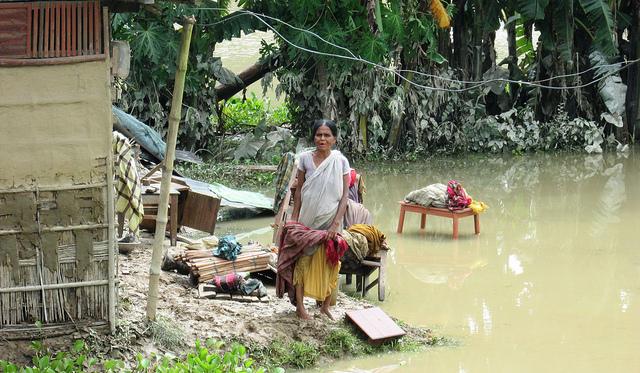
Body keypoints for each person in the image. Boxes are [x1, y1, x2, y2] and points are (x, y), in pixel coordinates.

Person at [289, 119, 350, 320]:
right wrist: (294, 220)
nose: (322, 139)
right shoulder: (305, 159)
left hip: (332, 218)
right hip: (307, 219)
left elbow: (344, 197)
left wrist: (335, 224)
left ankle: (324, 306)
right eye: (318, 135)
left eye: (327, 135)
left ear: (334, 139)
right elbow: (298, 193)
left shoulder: (340, 161)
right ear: (313, 137)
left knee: (331, 260)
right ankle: (300, 306)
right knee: (304, 260)